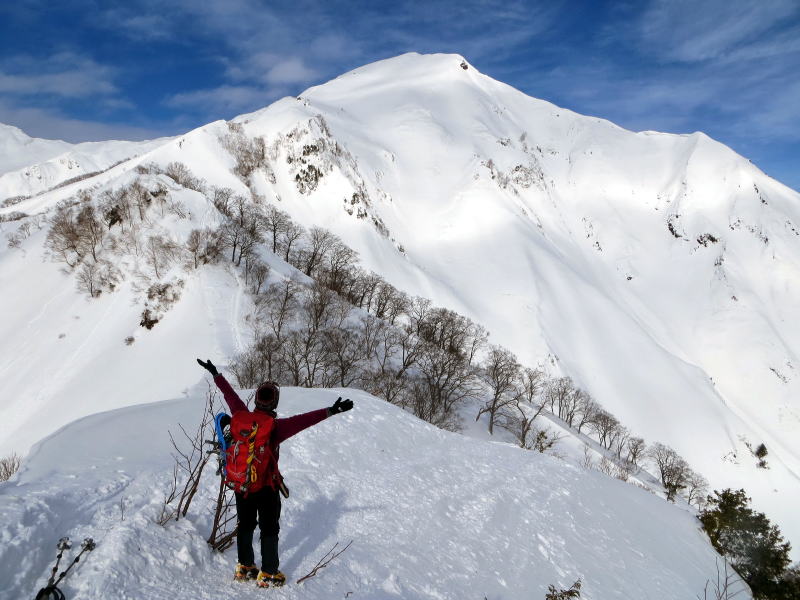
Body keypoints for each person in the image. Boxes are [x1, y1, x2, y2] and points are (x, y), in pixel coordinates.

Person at [196, 358, 353, 588]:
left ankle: (245, 566)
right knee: (269, 528)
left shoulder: (240, 414)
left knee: (246, 524)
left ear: (257, 400)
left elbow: (229, 395)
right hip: (267, 487)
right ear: (274, 402)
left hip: (242, 485)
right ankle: (269, 572)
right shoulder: (275, 428)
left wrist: (216, 374)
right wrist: (332, 410)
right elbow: (305, 420)